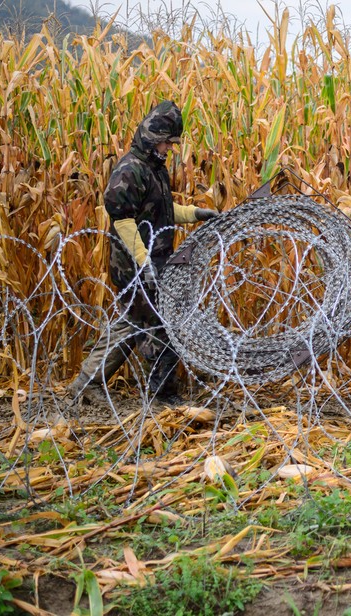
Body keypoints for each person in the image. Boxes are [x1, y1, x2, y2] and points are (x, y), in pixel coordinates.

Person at [67, 100, 218, 405]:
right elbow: (122, 220)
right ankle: (163, 394)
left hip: (152, 261)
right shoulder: (129, 171)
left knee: (132, 322)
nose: (169, 149)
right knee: (160, 325)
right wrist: (144, 262)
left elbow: (162, 210)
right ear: (152, 137)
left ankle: (85, 383)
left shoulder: (154, 170)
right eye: (166, 142)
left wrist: (195, 213)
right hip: (133, 265)